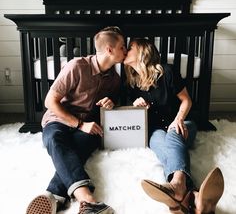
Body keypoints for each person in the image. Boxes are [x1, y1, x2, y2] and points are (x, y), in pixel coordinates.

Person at [25, 26, 127, 214]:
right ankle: (87, 200)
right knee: (55, 140)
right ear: (109, 49)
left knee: (78, 149)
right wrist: (80, 124)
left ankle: (54, 195)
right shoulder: (77, 65)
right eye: (122, 47)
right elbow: (50, 101)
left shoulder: (114, 79)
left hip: (88, 127)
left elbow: (114, 102)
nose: (126, 51)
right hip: (59, 119)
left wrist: (110, 102)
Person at [123, 38, 224, 214]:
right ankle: (192, 195)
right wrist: (137, 107)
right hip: (155, 130)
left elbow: (186, 100)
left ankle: (176, 186)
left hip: (183, 123)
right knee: (161, 145)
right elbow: (129, 117)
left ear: (142, 51)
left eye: (130, 47)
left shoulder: (167, 71)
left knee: (173, 134)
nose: (125, 50)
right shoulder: (131, 83)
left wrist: (178, 119)